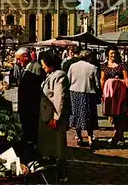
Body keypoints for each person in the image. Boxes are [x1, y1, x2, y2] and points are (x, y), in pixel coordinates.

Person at [38, 50, 70, 181]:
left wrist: (56, 118)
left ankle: (61, 174)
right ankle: (51, 171)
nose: (43, 67)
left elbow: (59, 98)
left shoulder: (59, 76)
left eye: (44, 65)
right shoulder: (51, 75)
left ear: (50, 64)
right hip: (47, 115)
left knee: (58, 147)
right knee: (50, 146)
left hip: (53, 117)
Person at [68, 50, 101, 147]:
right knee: (89, 116)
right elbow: (97, 84)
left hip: (74, 93)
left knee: (76, 115)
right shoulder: (92, 67)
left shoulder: (72, 66)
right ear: (89, 58)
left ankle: (79, 137)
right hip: (88, 93)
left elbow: (68, 79)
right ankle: (90, 138)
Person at [15, 47, 44, 155]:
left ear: (26, 57)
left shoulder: (35, 68)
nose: (17, 62)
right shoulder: (25, 68)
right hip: (25, 107)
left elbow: (36, 89)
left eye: (19, 59)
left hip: (31, 108)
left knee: (31, 132)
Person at [101, 45, 128, 146]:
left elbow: (126, 78)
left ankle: (120, 135)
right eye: (111, 53)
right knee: (112, 115)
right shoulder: (104, 65)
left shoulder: (122, 65)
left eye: (115, 53)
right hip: (109, 93)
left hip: (120, 93)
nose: (113, 55)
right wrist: (102, 93)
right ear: (108, 54)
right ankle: (116, 134)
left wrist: (127, 90)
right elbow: (102, 79)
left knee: (121, 114)